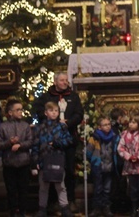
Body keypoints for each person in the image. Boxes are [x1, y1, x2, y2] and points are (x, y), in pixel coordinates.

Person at [32, 72, 84, 212]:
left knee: (68, 169)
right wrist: (50, 122)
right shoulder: (47, 96)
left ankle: (70, 201)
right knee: (50, 171)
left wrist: (67, 123)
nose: (65, 82)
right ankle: (52, 202)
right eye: (62, 80)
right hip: (49, 141)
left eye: (66, 80)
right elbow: (37, 109)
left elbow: (79, 114)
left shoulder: (73, 96)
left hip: (68, 138)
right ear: (55, 82)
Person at [32, 101, 74, 217]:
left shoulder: (62, 127)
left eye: (56, 111)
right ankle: (42, 209)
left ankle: (65, 208)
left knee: (60, 186)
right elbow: (35, 145)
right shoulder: (39, 128)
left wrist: (57, 143)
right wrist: (35, 162)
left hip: (58, 159)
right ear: (46, 113)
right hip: (44, 159)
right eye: (51, 111)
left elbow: (69, 140)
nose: (54, 113)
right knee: (43, 186)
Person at [0, 99, 33, 217]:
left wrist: (20, 145)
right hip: (9, 163)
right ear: (10, 112)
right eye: (18, 110)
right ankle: (13, 211)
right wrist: (9, 142)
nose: (20, 112)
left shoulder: (25, 125)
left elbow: (31, 141)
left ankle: (22, 211)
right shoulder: (3, 126)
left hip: (23, 162)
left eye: (21, 109)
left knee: (23, 190)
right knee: (11, 190)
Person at [86, 115, 117, 217]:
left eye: (109, 124)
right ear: (99, 127)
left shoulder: (114, 137)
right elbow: (88, 152)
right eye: (105, 125)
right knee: (98, 188)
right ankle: (97, 208)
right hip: (98, 166)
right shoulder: (94, 138)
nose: (108, 127)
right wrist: (94, 160)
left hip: (109, 166)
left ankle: (106, 207)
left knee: (107, 188)